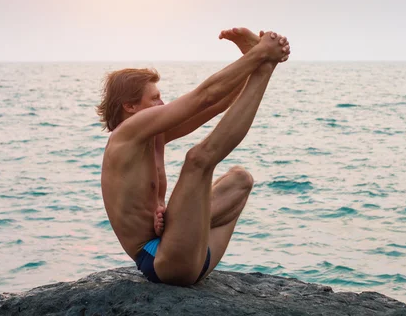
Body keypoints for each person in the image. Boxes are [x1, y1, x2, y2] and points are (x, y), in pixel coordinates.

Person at [97, 28, 290, 285]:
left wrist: (254, 61)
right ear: (129, 106)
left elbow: (215, 104)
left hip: (193, 254)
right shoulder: (125, 135)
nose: (163, 104)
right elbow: (203, 96)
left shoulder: (154, 137)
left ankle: (265, 70)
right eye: (155, 98)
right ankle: (266, 67)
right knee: (197, 160)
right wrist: (259, 55)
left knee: (240, 179)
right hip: (162, 263)